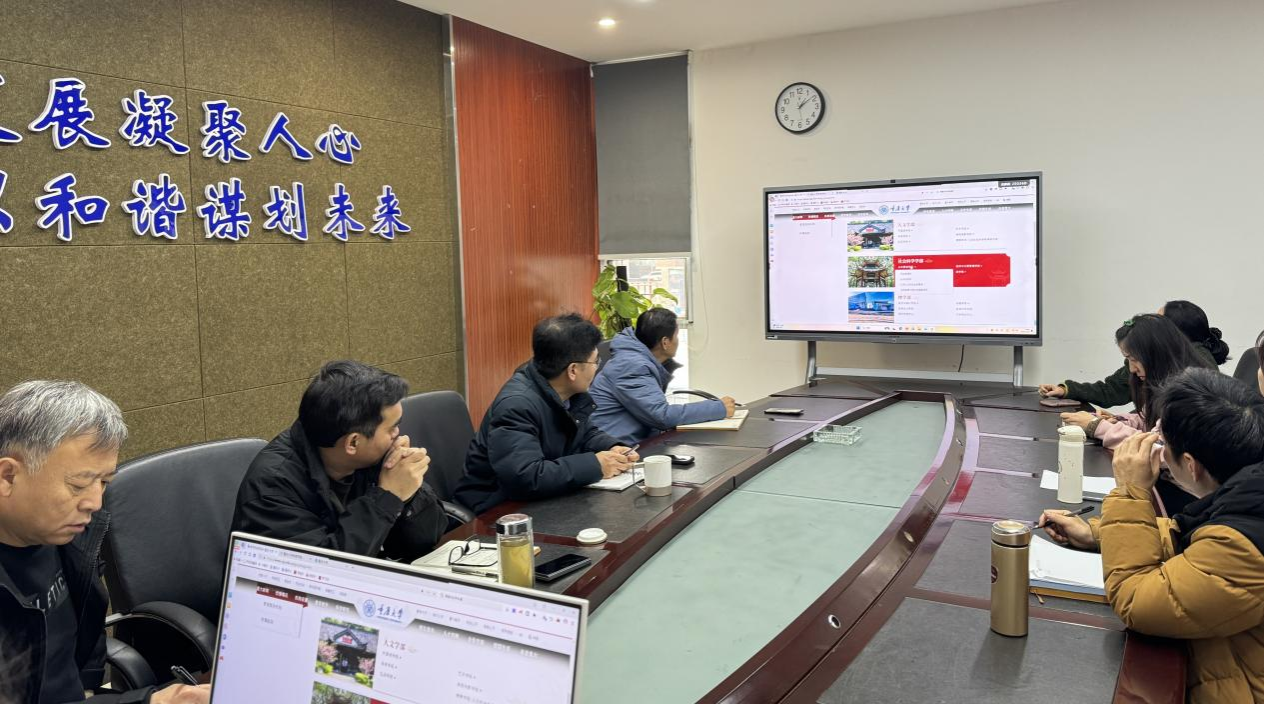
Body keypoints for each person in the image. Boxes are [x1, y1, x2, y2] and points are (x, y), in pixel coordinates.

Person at [1038, 368, 1264, 703]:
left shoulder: (1244, 546)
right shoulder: (1247, 492)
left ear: (1191, 465)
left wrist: (1130, 491)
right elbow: (1192, 542)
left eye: (1162, 443)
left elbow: (1136, 600)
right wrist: (1096, 533)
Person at [0, 380, 209, 703]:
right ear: (8, 476)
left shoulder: (65, 534)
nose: (95, 503)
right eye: (78, 485)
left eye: (104, 482)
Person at [232, 361, 447, 562]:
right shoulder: (273, 487)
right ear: (353, 443)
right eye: (392, 427)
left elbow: (425, 538)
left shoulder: (371, 457)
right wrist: (388, 497)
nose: (397, 433)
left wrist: (408, 493)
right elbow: (325, 569)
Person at [455, 314, 640, 514]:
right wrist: (596, 465)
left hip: (543, 500)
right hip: (495, 511)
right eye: (596, 361)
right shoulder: (516, 406)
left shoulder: (565, 391)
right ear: (573, 370)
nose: (597, 368)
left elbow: (583, 432)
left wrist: (612, 447)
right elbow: (525, 477)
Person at [1059, 314, 1213, 449]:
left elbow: (1160, 449)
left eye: (1134, 359)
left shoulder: (1188, 394)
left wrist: (1097, 427)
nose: (1132, 369)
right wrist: (1119, 421)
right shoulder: (1167, 382)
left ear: (1157, 354)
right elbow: (1148, 421)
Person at [1039, 300, 1226, 406]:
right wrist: (1068, 390)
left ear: (1171, 335)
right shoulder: (1149, 360)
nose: (1150, 325)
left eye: (1157, 322)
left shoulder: (1197, 381)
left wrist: (1105, 427)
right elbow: (1114, 390)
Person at [589, 307, 736, 444]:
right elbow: (661, 416)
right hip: (617, 450)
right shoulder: (631, 366)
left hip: (637, 442)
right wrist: (718, 408)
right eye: (676, 336)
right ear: (665, 342)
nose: (678, 341)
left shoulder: (636, 359)